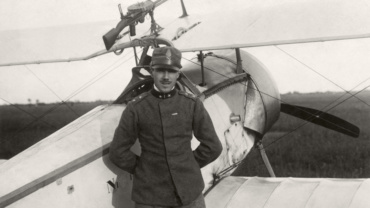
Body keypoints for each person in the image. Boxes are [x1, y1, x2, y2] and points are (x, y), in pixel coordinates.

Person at [109, 46, 222, 208]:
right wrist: (145, 170)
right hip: (149, 197)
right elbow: (117, 152)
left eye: (172, 71)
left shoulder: (191, 104)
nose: (166, 77)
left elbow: (213, 147)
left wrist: (186, 165)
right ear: (152, 71)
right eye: (161, 70)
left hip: (189, 196)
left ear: (178, 73)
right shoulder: (136, 108)